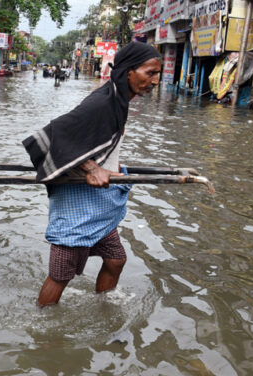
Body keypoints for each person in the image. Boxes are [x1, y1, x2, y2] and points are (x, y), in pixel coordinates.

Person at [22, 42, 161, 306]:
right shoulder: (102, 102)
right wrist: (92, 167)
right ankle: (42, 329)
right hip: (78, 203)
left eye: (157, 74)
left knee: (115, 260)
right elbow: (57, 133)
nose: (154, 81)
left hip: (98, 203)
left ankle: (103, 306)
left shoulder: (118, 100)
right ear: (128, 72)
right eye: (149, 73)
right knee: (60, 276)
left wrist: (108, 169)